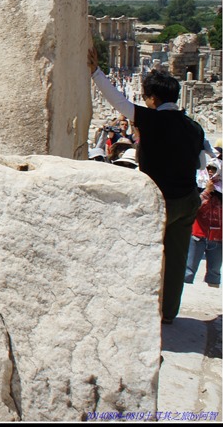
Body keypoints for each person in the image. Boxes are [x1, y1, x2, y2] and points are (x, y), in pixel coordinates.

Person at [88, 46, 205, 324]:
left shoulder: (152, 120)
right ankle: (169, 312)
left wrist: (95, 72)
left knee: (143, 253)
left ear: (153, 98)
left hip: (160, 199)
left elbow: (118, 102)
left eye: (145, 96)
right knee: (176, 259)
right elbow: (200, 163)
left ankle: (138, 308)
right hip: (188, 198)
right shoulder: (194, 127)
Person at [185, 160, 223, 288]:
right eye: (209, 168)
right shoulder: (198, 185)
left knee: (215, 272)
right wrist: (206, 191)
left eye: (214, 168)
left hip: (217, 237)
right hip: (198, 234)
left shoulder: (222, 190)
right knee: (189, 270)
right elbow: (193, 207)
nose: (211, 171)